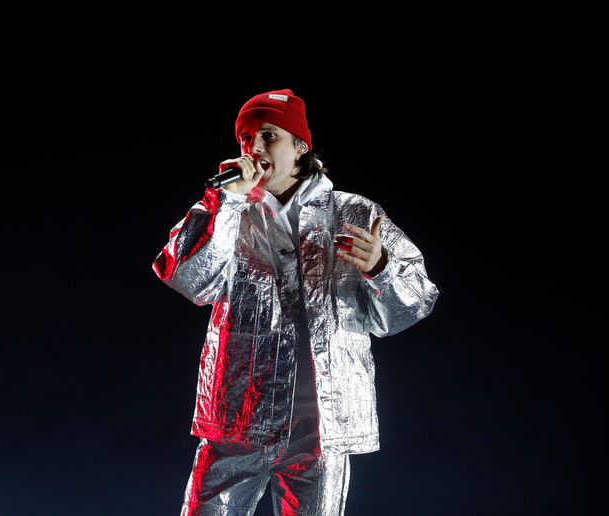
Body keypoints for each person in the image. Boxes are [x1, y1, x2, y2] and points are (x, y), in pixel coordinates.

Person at [152, 88, 440, 515]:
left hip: (321, 430)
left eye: (268, 135)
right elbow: (185, 277)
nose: (254, 147)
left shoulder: (355, 214)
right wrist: (224, 202)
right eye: (246, 138)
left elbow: (414, 304)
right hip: (237, 423)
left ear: (301, 146)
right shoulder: (228, 211)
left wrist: (380, 266)